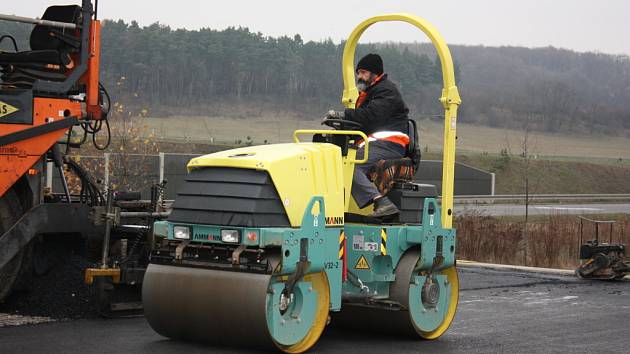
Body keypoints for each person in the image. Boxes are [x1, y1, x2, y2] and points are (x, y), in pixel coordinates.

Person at [325, 53, 410, 218]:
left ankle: (382, 203)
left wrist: (343, 115)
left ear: (375, 73)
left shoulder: (386, 91)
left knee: (350, 165)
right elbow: (364, 120)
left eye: (363, 72)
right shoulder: (370, 92)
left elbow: (370, 116)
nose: (359, 76)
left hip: (390, 144)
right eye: (358, 73)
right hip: (376, 144)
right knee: (335, 160)